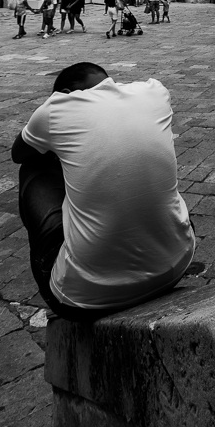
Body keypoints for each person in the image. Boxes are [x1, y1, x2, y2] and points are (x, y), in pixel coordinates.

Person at [11, 61, 195, 319]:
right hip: (175, 267)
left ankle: (61, 257)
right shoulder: (154, 90)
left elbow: (18, 153)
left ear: (65, 92)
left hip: (82, 298)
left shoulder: (55, 107)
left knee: (35, 163)